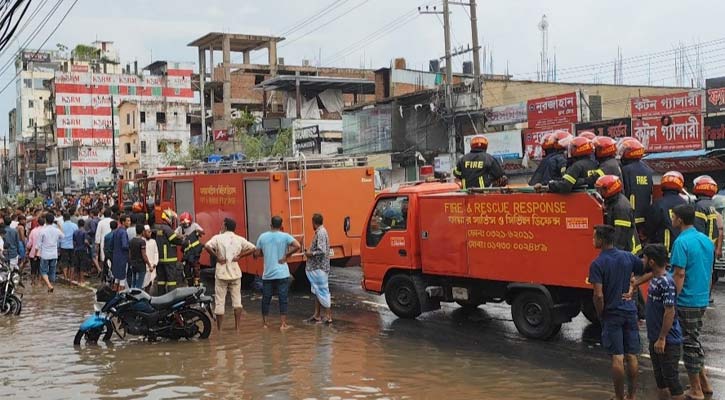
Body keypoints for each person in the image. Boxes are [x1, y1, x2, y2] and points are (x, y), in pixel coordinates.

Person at [589, 224, 643, 400]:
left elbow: (598, 295)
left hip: (612, 314)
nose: (592, 240)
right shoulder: (628, 256)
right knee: (632, 355)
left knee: (617, 358)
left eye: (594, 237)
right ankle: (632, 396)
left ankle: (619, 398)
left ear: (602, 240)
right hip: (629, 311)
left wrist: (600, 313)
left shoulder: (597, 263)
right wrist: (634, 285)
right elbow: (648, 269)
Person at [669, 204, 714, 400]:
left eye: (673, 216)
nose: (672, 219)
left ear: (679, 219)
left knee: (689, 344)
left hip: (687, 298)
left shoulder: (681, 242)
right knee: (693, 340)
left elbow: (679, 273)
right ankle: (704, 383)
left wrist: (672, 298)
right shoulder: (706, 240)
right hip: (701, 296)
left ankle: (696, 390)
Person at [642, 244, 685, 400]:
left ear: (652, 262)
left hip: (667, 341)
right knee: (661, 382)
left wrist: (662, 338)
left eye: (645, 258)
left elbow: (670, 311)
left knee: (672, 381)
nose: (643, 260)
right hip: (655, 339)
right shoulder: (656, 278)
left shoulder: (666, 282)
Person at [204, 218, 256, 332]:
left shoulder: (218, 238)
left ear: (225, 226)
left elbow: (207, 246)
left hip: (221, 272)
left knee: (219, 302)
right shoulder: (239, 239)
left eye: (222, 225)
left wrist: (217, 256)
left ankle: (220, 330)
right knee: (237, 302)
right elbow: (253, 248)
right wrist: (240, 256)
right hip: (235, 272)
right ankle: (237, 328)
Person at [254, 216, 301, 330]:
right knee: (283, 298)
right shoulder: (285, 236)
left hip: (268, 274)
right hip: (282, 273)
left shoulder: (262, 236)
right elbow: (298, 246)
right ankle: (283, 324)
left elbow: (257, 253)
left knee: (266, 298)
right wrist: (286, 255)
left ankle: (265, 324)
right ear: (281, 226)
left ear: (271, 225)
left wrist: (265, 253)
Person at [690, 175, 723, 304]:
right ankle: (706, 297)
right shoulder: (712, 207)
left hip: (700, 247)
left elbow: (697, 230)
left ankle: (699, 298)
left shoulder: (699, 207)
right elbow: (720, 229)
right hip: (710, 246)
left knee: (698, 273)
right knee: (708, 273)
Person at [595, 175, 642, 255]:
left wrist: (613, 255)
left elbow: (620, 236)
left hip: (628, 251)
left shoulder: (620, 208)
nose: (599, 192)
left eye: (601, 189)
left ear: (610, 189)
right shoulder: (612, 201)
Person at [646, 171, 687, 255]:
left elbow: (651, 226)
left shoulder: (658, 203)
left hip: (663, 250)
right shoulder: (685, 203)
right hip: (683, 248)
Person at [618, 138, 653, 230]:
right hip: (645, 214)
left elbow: (623, 191)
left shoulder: (625, 170)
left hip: (630, 214)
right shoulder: (648, 170)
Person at [305, 213, 332, 324]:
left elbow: (322, 251)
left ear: (314, 222)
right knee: (317, 290)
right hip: (317, 267)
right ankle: (317, 314)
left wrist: (311, 254)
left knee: (323, 290)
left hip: (320, 267)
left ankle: (328, 316)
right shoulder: (321, 231)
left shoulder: (320, 233)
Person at [154, 209, 184, 295]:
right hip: (169, 259)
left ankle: (161, 297)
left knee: (161, 280)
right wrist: (183, 241)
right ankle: (172, 297)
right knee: (171, 281)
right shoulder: (167, 228)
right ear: (168, 218)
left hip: (160, 259)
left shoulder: (159, 228)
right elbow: (173, 239)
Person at [176, 212, 205, 287]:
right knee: (187, 270)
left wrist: (199, 232)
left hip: (195, 252)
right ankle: (190, 285)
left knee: (196, 268)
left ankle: (197, 284)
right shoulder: (180, 228)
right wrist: (182, 236)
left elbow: (202, 232)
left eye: (187, 223)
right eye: (184, 223)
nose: (186, 225)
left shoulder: (195, 225)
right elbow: (174, 234)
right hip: (186, 253)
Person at [38, 213, 65, 293]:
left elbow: (38, 244)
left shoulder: (43, 230)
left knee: (43, 271)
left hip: (45, 254)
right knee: (52, 271)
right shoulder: (56, 230)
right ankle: (51, 286)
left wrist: (37, 253)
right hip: (54, 254)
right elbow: (63, 236)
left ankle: (49, 285)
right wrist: (59, 226)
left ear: (45, 220)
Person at [111, 216, 131, 291]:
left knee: (117, 279)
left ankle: (114, 297)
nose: (129, 222)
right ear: (123, 222)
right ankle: (121, 297)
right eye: (128, 221)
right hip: (123, 258)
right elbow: (125, 245)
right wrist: (130, 245)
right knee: (122, 279)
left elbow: (112, 245)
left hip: (115, 257)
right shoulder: (123, 232)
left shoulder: (115, 231)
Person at [128, 225, 150, 289]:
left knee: (133, 282)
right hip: (141, 265)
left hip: (133, 264)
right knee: (139, 284)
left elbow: (129, 254)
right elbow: (144, 255)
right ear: (143, 232)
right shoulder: (142, 242)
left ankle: (131, 296)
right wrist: (149, 264)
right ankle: (138, 297)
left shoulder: (131, 241)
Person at [26, 216, 45, 286]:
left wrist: (27, 249)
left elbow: (29, 243)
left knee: (33, 269)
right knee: (41, 269)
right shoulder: (46, 231)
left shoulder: (33, 231)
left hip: (33, 253)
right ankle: (40, 282)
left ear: (37, 223)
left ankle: (33, 282)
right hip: (44, 253)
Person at [72, 219, 91, 285]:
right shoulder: (84, 232)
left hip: (76, 250)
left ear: (78, 224)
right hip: (83, 250)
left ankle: (77, 280)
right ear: (84, 224)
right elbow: (86, 241)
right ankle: (82, 280)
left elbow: (74, 242)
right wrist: (89, 245)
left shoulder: (75, 232)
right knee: (82, 265)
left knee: (77, 265)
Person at [95, 209, 114, 279]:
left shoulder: (101, 222)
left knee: (104, 258)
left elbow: (98, 234)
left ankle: (105, 273)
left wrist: (97, 244)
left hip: (104, 242)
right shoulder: (113, 221)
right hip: (112, 241)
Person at [141, 225, 158, 291]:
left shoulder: (153, 241)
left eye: (150, 232)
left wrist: (154, 264)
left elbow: (156, 253)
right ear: (144, 232)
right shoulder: (141, 241)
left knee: (151, 283)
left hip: (152, 267)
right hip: (145, 267)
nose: (150, 233)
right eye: (148, 232)